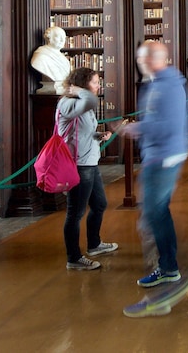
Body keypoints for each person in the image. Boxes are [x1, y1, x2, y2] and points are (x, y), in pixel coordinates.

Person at [119, 41, 188, 289]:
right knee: (157, 211)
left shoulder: (166, 86)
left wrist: (137, 128)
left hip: (163, 156)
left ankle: (168, 267)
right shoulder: (159, 83)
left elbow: (167, 125)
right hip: (159, 154)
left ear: (152, 59)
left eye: (141, 58)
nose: (139, 63)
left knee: (154, 213)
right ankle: (167, 263)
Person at [58, 67, 117, 270]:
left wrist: (99, 136)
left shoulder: (83, 104)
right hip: (78, 165)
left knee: (99, 204)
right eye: (94, 82)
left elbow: (84, 132)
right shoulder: (68, 103)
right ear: (83, 84)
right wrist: (76, 91)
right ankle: (73, 258)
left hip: (91, 162)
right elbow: (90, 101)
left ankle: (94, 244)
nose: (99, 85)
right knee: (75, 213)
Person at [31, 26, 72, 94]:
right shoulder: (41, 56)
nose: (62, 40)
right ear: (49, 38)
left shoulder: (64, 59)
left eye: (64, 37)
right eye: (58, 36)